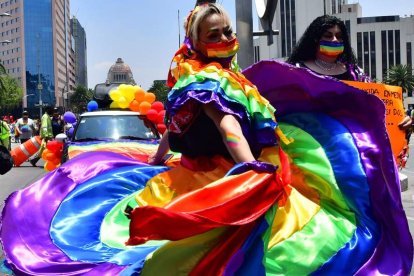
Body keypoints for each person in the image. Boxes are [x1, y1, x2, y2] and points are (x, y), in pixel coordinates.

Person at [0, 4, 411, 275]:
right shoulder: (211, 80)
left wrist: (159, 158)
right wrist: (253, 168)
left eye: (227, 31)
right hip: (220, 178)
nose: (225, 39)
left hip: (195, 173)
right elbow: (228, 127)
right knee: (262, 246)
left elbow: (173, 128)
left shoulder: (200, 77)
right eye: (214, 35)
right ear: (198, 42)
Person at [287, 15, 411, 129]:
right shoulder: (296, 71)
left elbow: (376, 104)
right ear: (315, 39)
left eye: (339, 36)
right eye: (328, 35)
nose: (335, 40)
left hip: (351, 147)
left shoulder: (355, 73)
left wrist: (401, 119)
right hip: (308, 146)